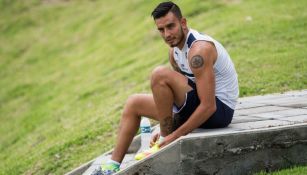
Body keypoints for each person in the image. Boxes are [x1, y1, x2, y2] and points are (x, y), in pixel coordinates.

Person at [95, 1, 239, 174]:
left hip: (219, 113)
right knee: (134, 103)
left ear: (183, 23)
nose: (167, 34)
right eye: (161, 30)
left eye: (171, 26)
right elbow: (177, 96)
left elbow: (209, 106)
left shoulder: (199, 50)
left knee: (159, 74)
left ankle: (163, 137)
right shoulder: (175, 52)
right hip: (198, 108)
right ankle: (111, 167)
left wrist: (172, 136)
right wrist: (163, 125)